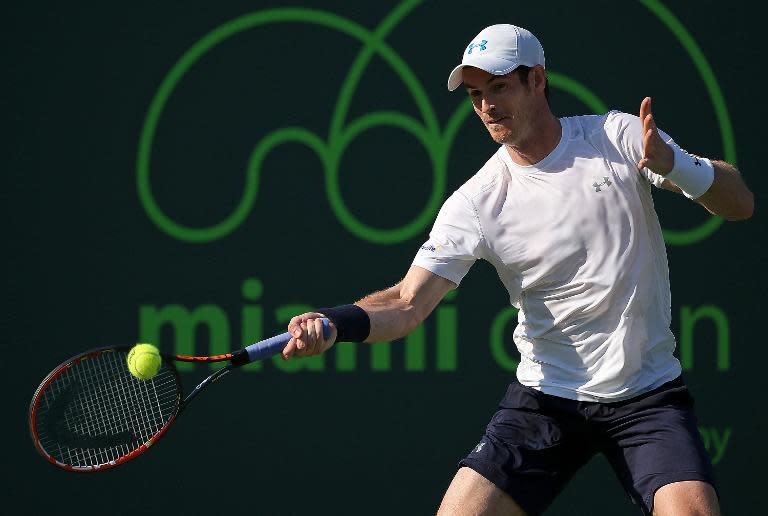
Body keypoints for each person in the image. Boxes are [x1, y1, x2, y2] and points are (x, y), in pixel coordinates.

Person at [281, 24, 753, 516]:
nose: (486, 106)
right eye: (475, 95)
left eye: (500, 87)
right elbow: (406, 304)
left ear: (538, 81)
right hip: (546, 400)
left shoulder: (616, 137)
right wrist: (337, 322)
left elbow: (739, 203)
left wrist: (676, 164)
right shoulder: (477, 202)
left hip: (646, 394)